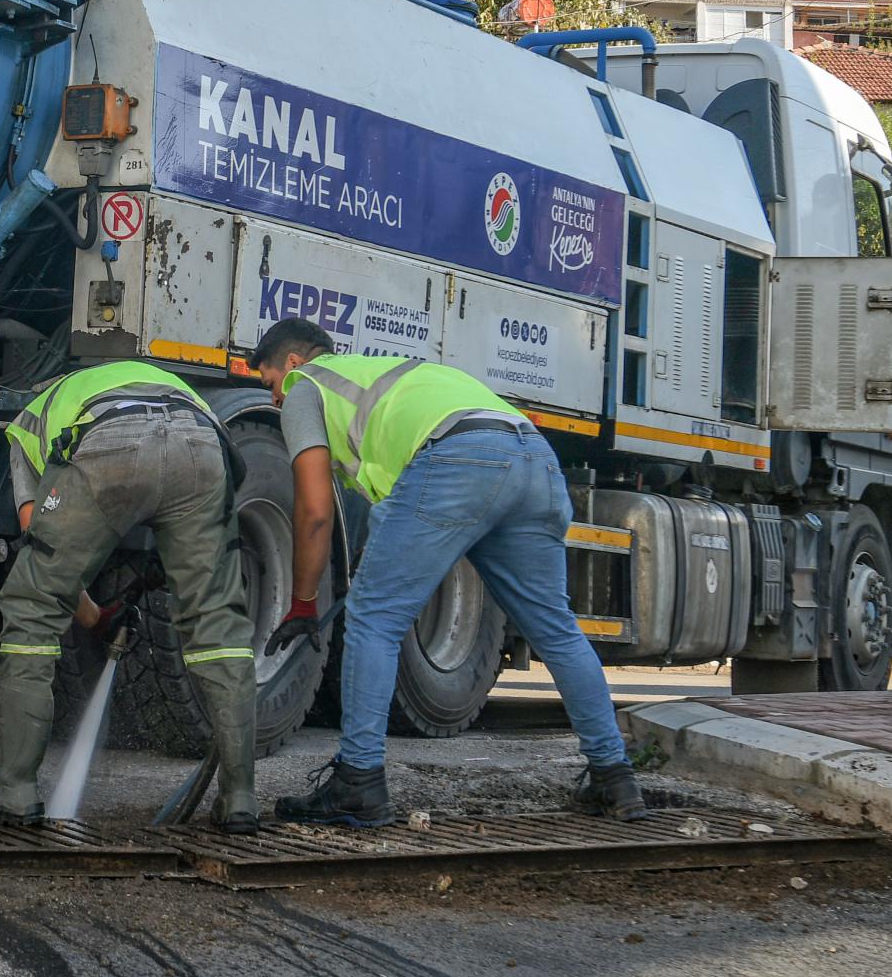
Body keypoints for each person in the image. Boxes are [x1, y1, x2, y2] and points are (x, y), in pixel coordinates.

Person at [250, 320, 645, 826]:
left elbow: (314, 510)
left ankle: (359, 783)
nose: (277, 402)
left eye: (269, 385)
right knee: (557, 630)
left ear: (293, 364)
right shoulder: (391, 373)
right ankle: (615, 777)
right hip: (534, 461)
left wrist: (303, 602)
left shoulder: (308, 386)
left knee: (374, 619)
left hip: (461, 461)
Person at [0, 360, 260, 831]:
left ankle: (11, 787)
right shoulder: (154, 380)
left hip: (110, 445)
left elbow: (43, 551)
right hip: (200, 446)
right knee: (217, 620)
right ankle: (240, 798)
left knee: (31, 607)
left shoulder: (32, 417)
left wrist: (91, 619)